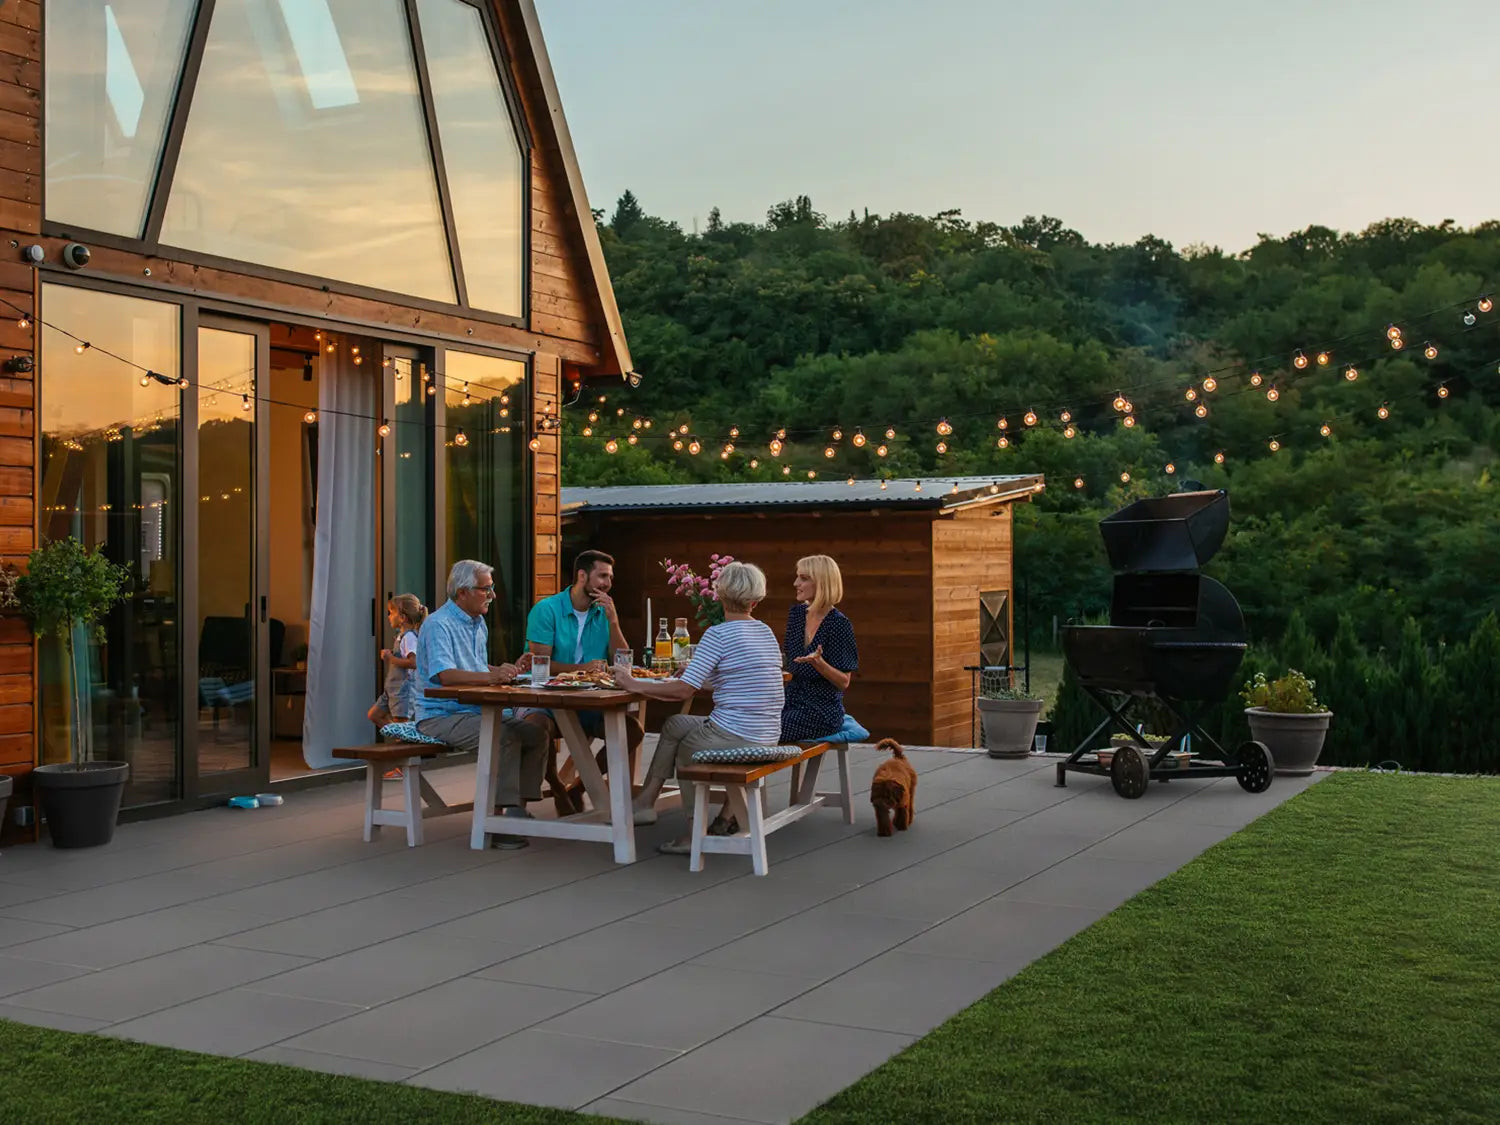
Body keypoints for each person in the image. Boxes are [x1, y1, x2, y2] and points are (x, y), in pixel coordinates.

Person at [615, 561, 784, 855]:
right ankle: (645, 802)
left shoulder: (717, 635)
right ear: (756, 601)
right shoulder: (765, 632)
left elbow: (682, 691)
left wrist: (633, 684)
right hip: (768, 732)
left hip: (739, 734)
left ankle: (694, 833)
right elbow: (738, 678)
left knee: (689, 749)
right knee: (676, 725)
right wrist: (698, 678)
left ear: (718, 595)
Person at [416, 559, 550, 849]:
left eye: (492, 588)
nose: (493, 595)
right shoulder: (438, 624)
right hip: (440, 714)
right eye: (485, 589)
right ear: (462, 592)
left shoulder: (478, 623)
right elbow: (446, 675)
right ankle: (498, 821)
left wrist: (506, 670)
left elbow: (473, 667)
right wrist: (492, 678)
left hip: (474, 711)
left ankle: (515, 811)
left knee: (536, 733)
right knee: (505, 736)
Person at [524, 549, 644, 813]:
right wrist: (583, 669)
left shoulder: (603, 613)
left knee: (632, 730)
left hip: (590, 701)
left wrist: (614, 622)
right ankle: (557, 787)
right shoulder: (546, 610)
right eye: (602, 576)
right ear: (582, 575)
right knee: (535, 726)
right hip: (549, 699)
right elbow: (540, 664)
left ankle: (579, 786)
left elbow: (622, 660)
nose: (607, 584)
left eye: (610, 578)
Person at [782, 555, 858, 742]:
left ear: (822, 583)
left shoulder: (839, 624)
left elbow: (844, 682)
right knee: (749, 723)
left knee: (767, 731)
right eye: (798, 576)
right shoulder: (797, 615)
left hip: (820, 711)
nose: (796, 583)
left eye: (804, 578)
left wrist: (819, 663)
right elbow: (788, 660)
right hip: (789, 702)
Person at [368, 594, 427, 727]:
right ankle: (396, 733)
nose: (388, 616)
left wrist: (390, 658)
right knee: (374, 715)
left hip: (402, 691)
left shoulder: (409, 637)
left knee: (402, 727)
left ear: (402, 618)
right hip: (391, 690)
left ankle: (404, 741)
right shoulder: (401, 637)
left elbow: (413, 663)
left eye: (391, 613)